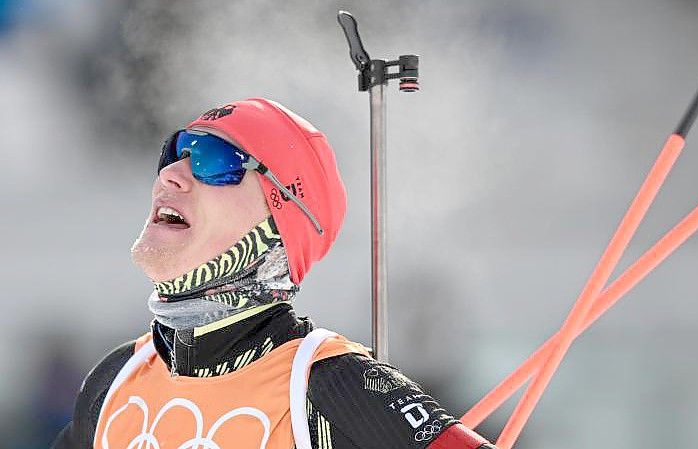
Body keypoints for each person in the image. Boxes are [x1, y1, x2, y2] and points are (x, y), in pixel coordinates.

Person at [52, 98, 496, 449]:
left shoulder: (325, 387)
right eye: (176, 151)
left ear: (279, 224)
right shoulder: (115, 381)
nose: (171, 173)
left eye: (212, 160)